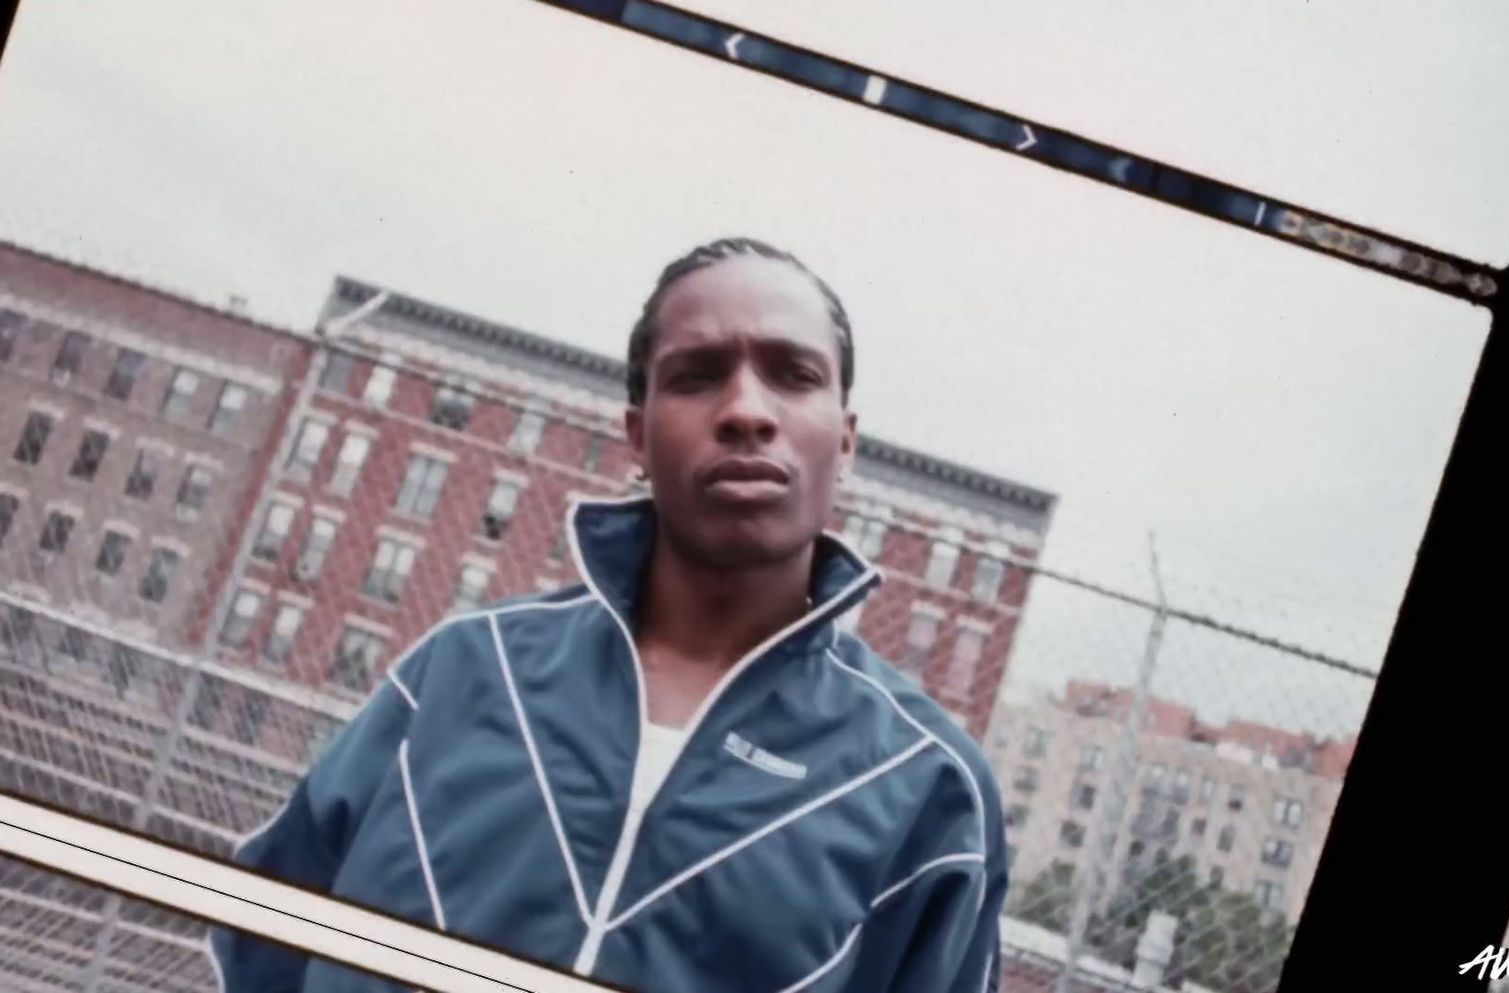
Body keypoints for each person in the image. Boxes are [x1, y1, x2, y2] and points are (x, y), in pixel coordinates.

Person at [210, 237, 1009, 993]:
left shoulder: (929, 787)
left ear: (846, 438)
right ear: (636, 431)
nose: (745, 411)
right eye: (697, 375)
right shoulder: (465, 671)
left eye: (793, 375)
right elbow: (267, 928)